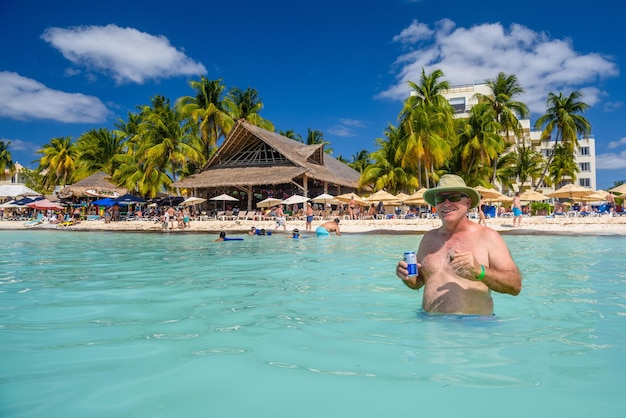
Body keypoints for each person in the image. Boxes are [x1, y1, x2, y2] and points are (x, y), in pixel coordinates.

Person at [395, 174, 521, 316]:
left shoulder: (488, 237)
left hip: (472, 328)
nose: (446, 203)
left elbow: (515, 286)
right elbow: (418, 282)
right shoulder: (428, 238)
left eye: (454, 197)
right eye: (440, 198)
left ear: (467, 203)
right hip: (429, 327)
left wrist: (480, 272)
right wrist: (405, 275)